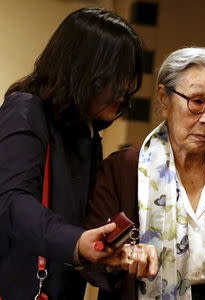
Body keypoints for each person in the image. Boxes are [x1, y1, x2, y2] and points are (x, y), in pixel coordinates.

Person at [0, 7, 157, 300]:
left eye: (128, 76)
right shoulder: (26, 110)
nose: (125, 89)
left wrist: (114, 251)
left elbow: (84, 226)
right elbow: (11, 201)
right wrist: (77, 241)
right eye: (116, 75)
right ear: (85, 70)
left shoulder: (86, 132)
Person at [84, 47, 205, 299]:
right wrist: (122, 258)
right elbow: (94, 263)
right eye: (197, 102)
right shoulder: (122, 168)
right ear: (164, 99)